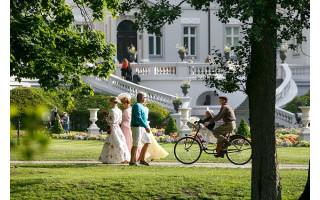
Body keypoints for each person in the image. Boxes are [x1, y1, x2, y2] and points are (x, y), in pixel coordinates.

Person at [98, 96, 130, 164]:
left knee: (115, 142)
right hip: (118, 127)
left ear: (112, 102)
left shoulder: (112, 110)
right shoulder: (120, 110)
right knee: (120, 141)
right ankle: (122, 157)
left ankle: (117, 158)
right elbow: (120, 120)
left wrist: (106, 119)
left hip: (113, 127)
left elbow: (111, 121)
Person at [129, 92, 152, 166]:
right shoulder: (136, 105)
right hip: (137, 126)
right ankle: (132, 161)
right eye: (145, 97)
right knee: (136, 143)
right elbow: (139, 117)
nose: (146, 99)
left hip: (142, 126)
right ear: (142, 98)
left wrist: (145, 126)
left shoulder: (142, 106)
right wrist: (146, 126)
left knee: (148, 141)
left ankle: (142, 159)